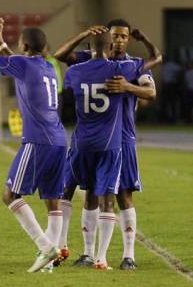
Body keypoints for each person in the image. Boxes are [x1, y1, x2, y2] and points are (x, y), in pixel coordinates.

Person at [54, 19, 158, 270]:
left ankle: (128, 256)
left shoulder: (133, 66)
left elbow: (150, 92)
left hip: (124, 138)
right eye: (115, 36)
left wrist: (127, 87)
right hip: (100, 139)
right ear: (108, 38)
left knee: (123, 195)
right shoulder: (91, 58)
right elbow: (62, 55)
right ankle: (89, 254)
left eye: (123, 37)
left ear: (127, 40)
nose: (119, 40)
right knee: (90, 193)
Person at [0, 19, 67, 273]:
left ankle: (45, 247)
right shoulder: (48, 66)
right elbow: (17, 63)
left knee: (10, 195)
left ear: (24, 45)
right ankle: (49, 264)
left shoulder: (24, 64)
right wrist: (2, 43)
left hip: (37, 140)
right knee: (53, 201)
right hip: (58, 139)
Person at [64, 31, 140, 270]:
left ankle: (80, 251)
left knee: (88, 196)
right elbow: (148, 63)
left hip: (82, 143)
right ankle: (100, 258)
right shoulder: (121, 69)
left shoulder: (74, 71)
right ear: (110, 46)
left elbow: (60, 59)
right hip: (110, 143)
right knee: (110, 199)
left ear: (88, 46)